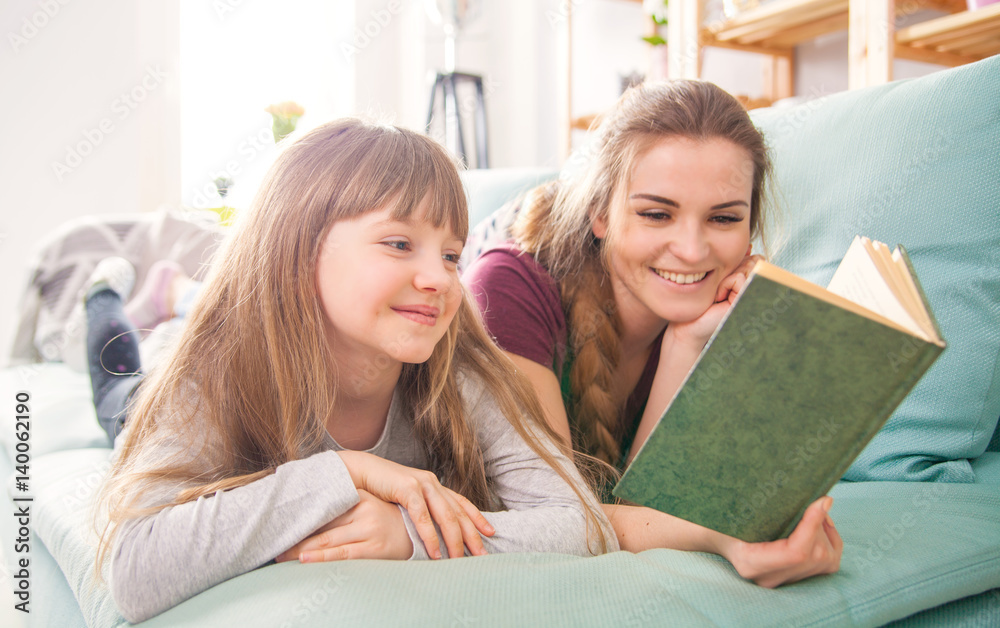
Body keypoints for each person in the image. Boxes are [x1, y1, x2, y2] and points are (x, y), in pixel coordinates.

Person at [89, 119, 616, 624]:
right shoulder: (210, 377)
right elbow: (133, 569)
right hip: (145, 394)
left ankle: (171, 292)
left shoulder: (460, 374)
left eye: (453, 255)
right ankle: (104, 291)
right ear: (297, 246)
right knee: (118, 377)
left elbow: (580, 523)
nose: (439, 278)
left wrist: (410, 535)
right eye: (399, 244)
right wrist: (345, 474)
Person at [462, 80, 842, 588]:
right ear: (601, 214)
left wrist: (685, 343)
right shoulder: (508, 290)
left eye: (724, 218)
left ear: (749, 228)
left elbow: (639, 509)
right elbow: (565, 520)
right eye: (656, 214)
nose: (691, 249)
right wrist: (724, 536)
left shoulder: (729, 310)